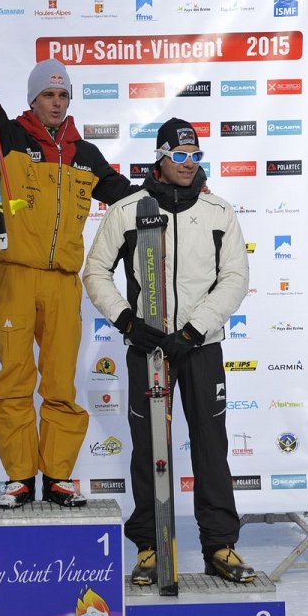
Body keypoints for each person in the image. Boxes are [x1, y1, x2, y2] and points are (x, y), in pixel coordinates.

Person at [0, 0, 139, 509]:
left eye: (62, 94)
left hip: (62, 283)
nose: (56, 102)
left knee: (60, 382)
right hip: (14, 274)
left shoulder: (84, 154)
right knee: (14, 380)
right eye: (48, 94)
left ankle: (56, 477)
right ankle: (18, 477)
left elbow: (126, 195)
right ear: (33, 100)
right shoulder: (6, 137)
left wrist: (187, 188)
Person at [83, 117, 254, 583]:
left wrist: (195, 330)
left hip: (200, 347)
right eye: (179, 155)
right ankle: (150, 546)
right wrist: (126, 321)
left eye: (194, 155)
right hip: (150, 348)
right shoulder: (130, 210)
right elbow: (95, 271)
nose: (188, 164)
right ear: (160, 157)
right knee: (148, 448)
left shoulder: (218, 212)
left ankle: (219, 546)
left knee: (211, 446)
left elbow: (235, 278)